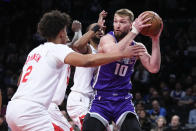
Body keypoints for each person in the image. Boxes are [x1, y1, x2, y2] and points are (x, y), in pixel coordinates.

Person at [5, 10, 146, 131]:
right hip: (38, 108)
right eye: (65, 30)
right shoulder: (60, 49)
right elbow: (86, 59)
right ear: (61, 32)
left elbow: (19, 82)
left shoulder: (36, 51)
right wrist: (121, 54)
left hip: (14, 107)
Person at [82, 8, 163, 131]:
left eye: (122, 22)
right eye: (115, 21)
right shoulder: (107, 39)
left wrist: (155, 39)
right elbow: (114, 52)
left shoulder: (136, 46)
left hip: (123, 101)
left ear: (131, 25)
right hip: (101, 100)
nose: (117, 25)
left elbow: (154, 67)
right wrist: (135, 31)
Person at [66, 10, 107, 130]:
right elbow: (77, 45)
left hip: (93, 101)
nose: (100, 31)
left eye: (101, 29)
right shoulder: (88, 50)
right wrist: (97, 25)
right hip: (80, 99)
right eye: (96, 29)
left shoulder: (104, 54)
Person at [47, 20, 83, 131]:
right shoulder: (58, 50)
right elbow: (78, 47)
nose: (68, 36)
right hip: (47, 105)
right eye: (66, 33)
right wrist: (78, 31)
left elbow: (75, 47)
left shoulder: (48, 50)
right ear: (60, 34)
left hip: (43, 104)